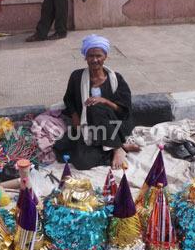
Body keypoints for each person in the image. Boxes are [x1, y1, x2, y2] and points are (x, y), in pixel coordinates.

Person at [53, 35, 142, 170]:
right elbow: (69, 99)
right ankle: (120, 147)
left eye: (98, 56)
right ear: (86, 57)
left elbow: (124, 110)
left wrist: (104, 101)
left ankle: (117, 148)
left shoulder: (116, 78)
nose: (94, 60)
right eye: (91, 56)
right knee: (82, 162)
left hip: (114, 126)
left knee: (94, 107)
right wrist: (75, 115)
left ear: (105, 56)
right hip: (89, 127)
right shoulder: (77, 77)